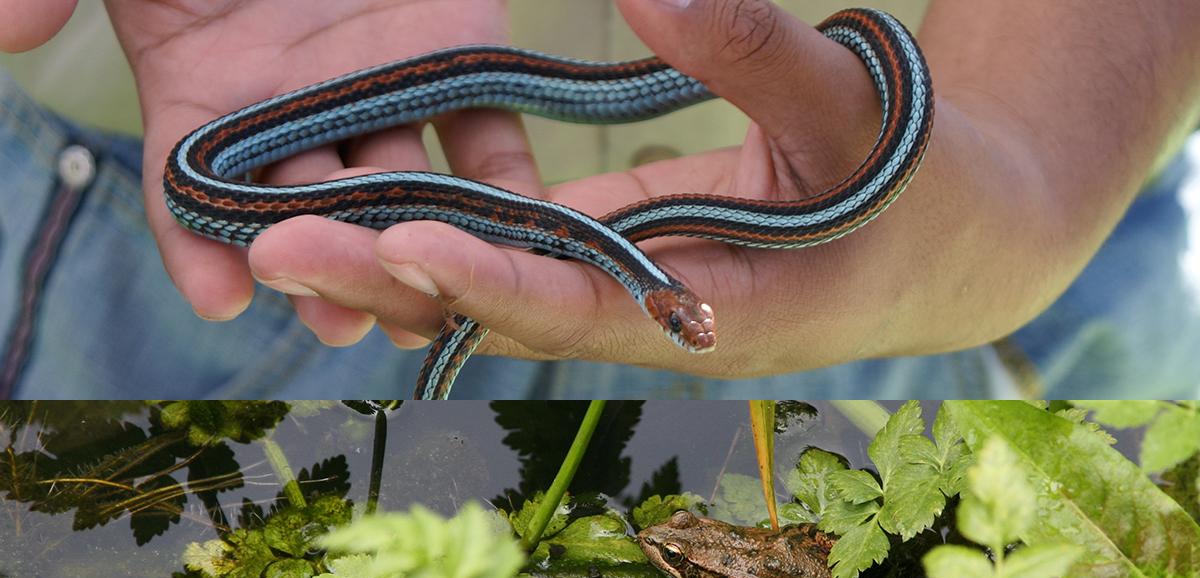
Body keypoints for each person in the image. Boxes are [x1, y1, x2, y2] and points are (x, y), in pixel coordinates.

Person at [3, 0, 1199, 398]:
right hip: (103, 201)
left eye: (684, 313)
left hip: (942, 277)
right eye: (682, 310)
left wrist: (1039, 164)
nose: (689, 316)